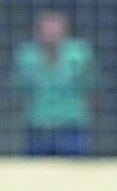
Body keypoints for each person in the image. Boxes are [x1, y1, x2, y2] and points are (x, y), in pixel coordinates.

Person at [12, 11, 98, 156]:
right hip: (38, 127)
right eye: (47, 30)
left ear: (65, 31)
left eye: (56, 30)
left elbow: (93, 89)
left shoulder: (80, 54)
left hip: (72, 126)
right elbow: (18, 94)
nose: (52, 35)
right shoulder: (26, 56)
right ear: (38, 32)